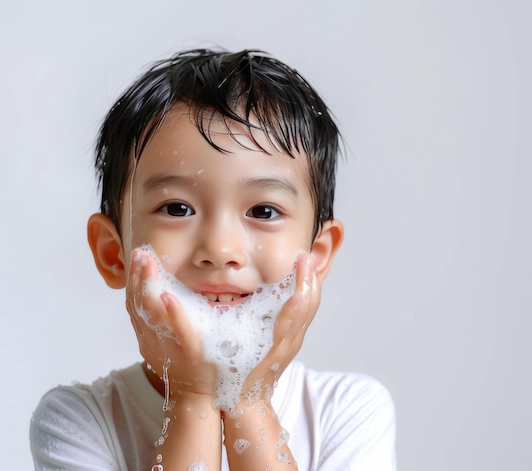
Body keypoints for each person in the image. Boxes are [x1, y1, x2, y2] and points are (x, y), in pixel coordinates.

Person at [30, 48, 396, 470]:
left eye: (263, 211)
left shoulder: (349, 412)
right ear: (115, 254)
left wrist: (247, 400)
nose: (221, 250)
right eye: (177, 208)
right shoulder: (80, 420)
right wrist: (192, 397)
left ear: (315, 258)